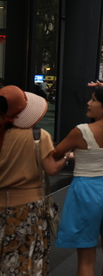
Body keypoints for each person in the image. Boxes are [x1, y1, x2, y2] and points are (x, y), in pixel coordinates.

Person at [53, 81, 103, 276]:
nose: (89, 103)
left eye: (94, 100)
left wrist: (68, 156)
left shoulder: (81, 131)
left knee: (86, 256)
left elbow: (55, 153)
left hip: (85, 191)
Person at [0, 85, 65, 275]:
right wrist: (66, 159)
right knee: (27, 259)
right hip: (28, 209)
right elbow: (51, 170)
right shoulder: (38, 136)